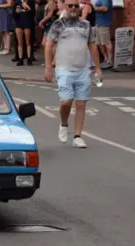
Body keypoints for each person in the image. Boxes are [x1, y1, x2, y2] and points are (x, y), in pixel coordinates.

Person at [44, 0, 102, 148]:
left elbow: (93, 46)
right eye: (70, 6)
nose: (74, 8)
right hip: (64, 68)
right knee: (66, 101)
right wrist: (48, 68)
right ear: (65, 7)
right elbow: (49, 45)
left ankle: (77, 136)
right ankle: (64, 124)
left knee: (81, 104)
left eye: (76, 6)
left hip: (83, 69)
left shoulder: (86, 25)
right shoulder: (58, 24)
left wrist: (97, 68)